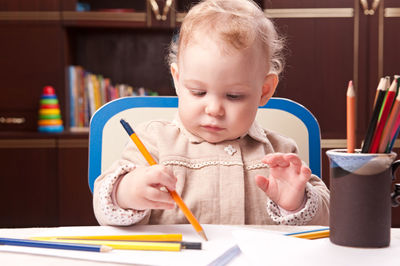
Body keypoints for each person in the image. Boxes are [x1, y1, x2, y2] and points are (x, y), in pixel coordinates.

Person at [93, 0, 329, 226]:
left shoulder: (281, 152)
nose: (214, 109)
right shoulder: (153, 141)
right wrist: (127, 193)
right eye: (198, 92)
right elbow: (104, 208)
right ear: (177, 80)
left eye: (234, 96)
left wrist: (297, 204)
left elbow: (327, 221)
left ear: (264, 90)